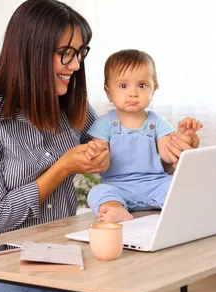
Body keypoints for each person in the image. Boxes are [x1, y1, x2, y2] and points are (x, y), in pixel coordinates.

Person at [0, 0, 199, 292]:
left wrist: (171, 152)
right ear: (31, 53)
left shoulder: (72, 110)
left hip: (47, 255)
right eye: (66, 53)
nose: (75, 65)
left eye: (80, 53)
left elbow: (122, 163)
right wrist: (62, 167)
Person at [85, 49, 202, 223]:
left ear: (153, 89)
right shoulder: (104, 124)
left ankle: (182, 210)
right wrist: (96, 152)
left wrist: (182, 136)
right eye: (123, 86)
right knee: (98, 193)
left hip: (155, 183)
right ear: (108, 92)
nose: (133, 93)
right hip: (117, 186)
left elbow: (168, 155)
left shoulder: (158, 123)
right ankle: (116, 208)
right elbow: (101, 164)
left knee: (178, 187)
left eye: (141, 85)